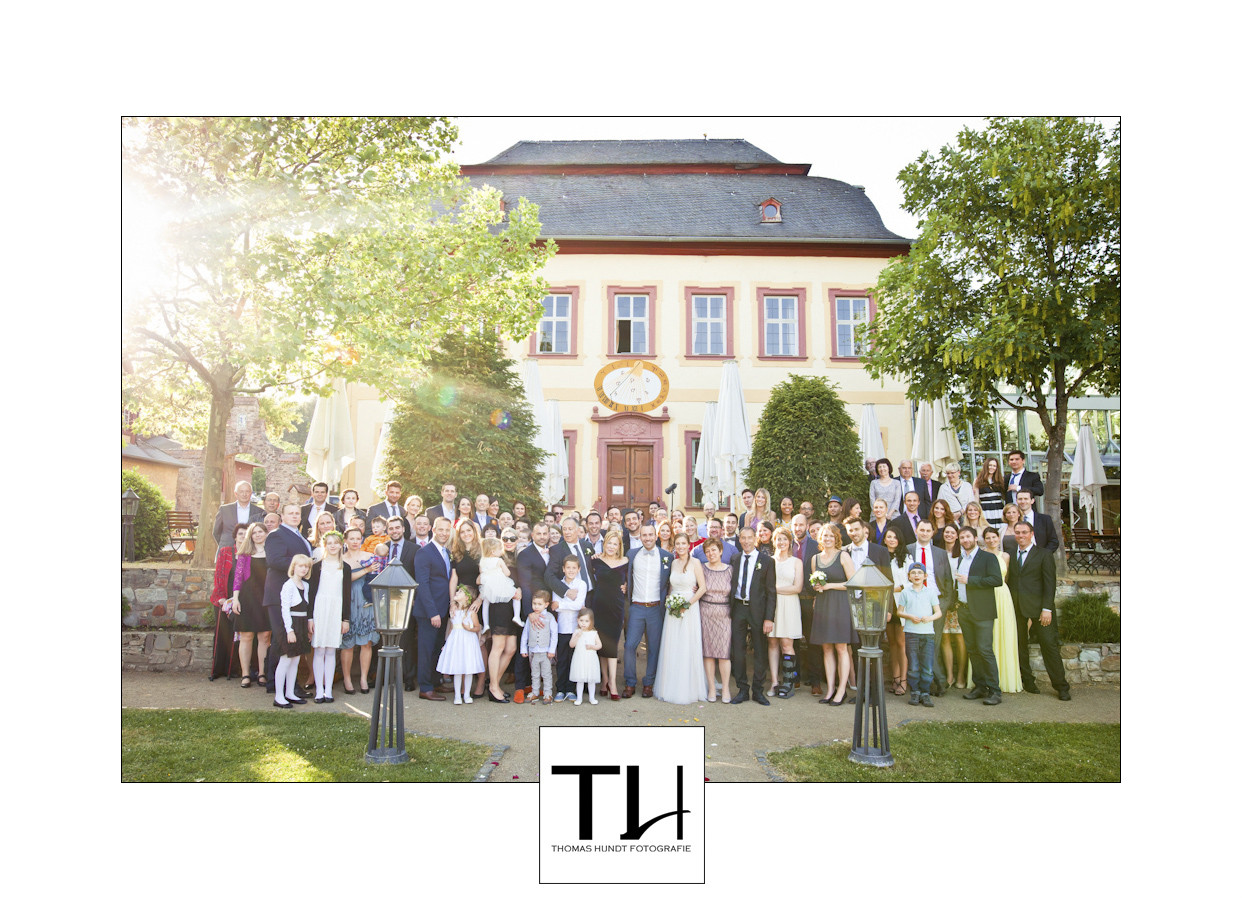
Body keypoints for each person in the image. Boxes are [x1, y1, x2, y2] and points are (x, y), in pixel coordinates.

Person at [1008, 521, 1071, 700]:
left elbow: (1049, 584)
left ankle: (1061, 686)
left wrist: (1046, 609)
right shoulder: (1011, 555)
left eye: (1024, 532)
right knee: (1020, 645)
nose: (1021, 536)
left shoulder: (1043, 554)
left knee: (1049, 645)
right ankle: (1028, 681)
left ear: (1031, 534)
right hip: (1017, 608)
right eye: (1018, 532)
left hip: (1040, 609)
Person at [263, 504, 313, 696]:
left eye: (297, 513)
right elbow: (274, 560)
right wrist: (304, 564)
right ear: (282, 516)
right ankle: (282, 687)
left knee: (280, 640)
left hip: (295, 596)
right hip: (279, 594)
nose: (294, 516)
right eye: (290, 513)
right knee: (284, 639)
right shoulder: (277, 535)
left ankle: (277, 684)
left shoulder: (299, 535)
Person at [653, 533, 708, 704]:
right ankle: (669, 685)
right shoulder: (674, 563)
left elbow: (702, 588)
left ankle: (688, 688)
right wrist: (670, 599)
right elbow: (671, 585)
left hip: (689, 608)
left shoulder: (696, 563)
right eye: (678, 543)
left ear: (688, 545)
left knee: (686, 645)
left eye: (684, 543)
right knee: (673, 645)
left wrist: (687, 604)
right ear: (674, 545)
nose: (681, 546)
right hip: (673, 609)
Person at [954, 526, 1003, 705]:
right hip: (964, 610)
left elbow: (997, 580)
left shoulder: (987, 557)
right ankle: (980, 687)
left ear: (975, 538)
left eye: (968, 536)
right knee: (973, 650)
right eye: (962, 537)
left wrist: (970, 581)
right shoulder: (961, 558)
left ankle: (995, 691)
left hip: (982, 611)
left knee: (985, 650)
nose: (965, 540)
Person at [624, 524, 673, 699]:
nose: (647, 538)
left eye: (650, 535)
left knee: (653, 648)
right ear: (640, 537)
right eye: (644, 535)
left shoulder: (667, 557)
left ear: (656, 535)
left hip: (655, 608)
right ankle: (630, 683)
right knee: (629, 646)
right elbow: (621, 573)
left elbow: (674, 579)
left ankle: (648, 683)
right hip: (636, 607)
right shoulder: (631, 555)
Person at [809, 524, 856, 705]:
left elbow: (852, 582)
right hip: (823, 604)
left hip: (840, 604)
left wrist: (829, 586)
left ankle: (842, 690)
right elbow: (816, 581)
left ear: (836, 537)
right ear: (820, 539)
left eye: (830, 536)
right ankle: (830, 690)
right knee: (826, 648)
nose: (827, 538)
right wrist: (818, 587)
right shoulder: (815, 559)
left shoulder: (843, 556)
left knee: (841, 648)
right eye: (824, 536)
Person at [729, 527, 776, 706]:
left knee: (759, 650)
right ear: (739, 540)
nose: (746, 541)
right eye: (743, 538)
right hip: (738, 608)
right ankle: (742, 689)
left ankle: (758, 690)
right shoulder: (735, 559)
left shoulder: (766, 561)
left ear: (755, 539)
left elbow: (771, 592)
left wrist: (769, 618)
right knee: (738, 650)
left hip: (758, 610)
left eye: (750, 538)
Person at [908, 519, 954, 697]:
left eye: (928, 530)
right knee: (916, 644)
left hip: (937, 602)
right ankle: (926, 682)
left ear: (932, 533)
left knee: (932, 643)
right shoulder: (909, 550)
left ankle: (938, 682)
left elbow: (948, 579)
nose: (925, 533)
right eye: (922, 530)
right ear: (916, 531)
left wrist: (946, 602)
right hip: (915, 601)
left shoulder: (940, 553)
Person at [412, 517, 454, 702]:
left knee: (437, 648)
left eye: (447, 530)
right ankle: (426, 688)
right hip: (429, 612)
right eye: (441, 529)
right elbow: (423, 584)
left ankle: (435, 682)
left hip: (443, 608)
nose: (444, 533)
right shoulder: (424, 553)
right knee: (426, 650)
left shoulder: (447, 552)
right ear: (433, 530)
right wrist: (433, 613)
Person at [308, 532, 351, 703]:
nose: (333, 546)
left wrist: (345, 619)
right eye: (329, 543)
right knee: (319, 650)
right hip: (320, 608)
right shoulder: (317, 566)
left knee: (331, 650)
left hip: (336, 609)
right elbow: (311, 594)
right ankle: (319, 690)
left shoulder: (345, 567)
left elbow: (346, 595)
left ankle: (328, 690)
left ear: (341, 545)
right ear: (324, 545)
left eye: (336, 543)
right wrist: (310, 618)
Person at [227, 523, 271, 686]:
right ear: (250, 536)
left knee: (265, 636)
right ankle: (245, 674)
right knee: (246, 636)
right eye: (254, 533)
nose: (258, 535)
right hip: (247, 598)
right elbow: (238, 578)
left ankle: (262, 673)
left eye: (261, 532)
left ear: (266, 533)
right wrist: (235, 599)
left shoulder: (272, 552)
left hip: (266, 598)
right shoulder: (245, 554)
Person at [513, 521, 552, 702]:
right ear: (532, 535)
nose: (542, 536)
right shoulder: (525, 555)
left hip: (548, 606)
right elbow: (525, 584)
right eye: (539, 533)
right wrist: (530, 611)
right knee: (526, 648)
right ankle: (520, 687)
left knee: (544, 647)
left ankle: (538, 686)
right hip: (531, 607)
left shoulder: (553, 552)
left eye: (545, 533)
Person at [479, 536, 521, 703]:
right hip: (498, 606)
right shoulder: (491, 561)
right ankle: (494, 687)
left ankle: (494, 683)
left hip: (510, 604)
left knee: (511, 648)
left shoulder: (513, 556)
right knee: (498, 647)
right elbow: (481, 579)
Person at [340, 527, 380, 695]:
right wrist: (365, 570)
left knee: (366, 642)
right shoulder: (341, 559)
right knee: (347, 644)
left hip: (365, 603)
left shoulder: (369, 557)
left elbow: (378, 577)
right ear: (346, 541)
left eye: (358, 538)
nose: (355, 541)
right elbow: (342, 579)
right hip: (348, 602)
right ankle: (347, 679)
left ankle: (363, 678)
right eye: (352, 538)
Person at [981, 526, 1021, 693]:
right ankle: (986, 679)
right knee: (987, 637)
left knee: (1003, 633)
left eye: (994, 537)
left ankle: (1005, 678)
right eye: (988, 538)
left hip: (1002, 596)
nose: (991, 540)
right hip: (985, 595)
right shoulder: (981, 555)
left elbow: (1007, 577)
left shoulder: (1005, 556)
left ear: (999, 538)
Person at [895, 563, 940, 708]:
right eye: (913, 573)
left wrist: (930, 618)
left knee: (927, 665)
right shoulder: (906, 592)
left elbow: (938, 612)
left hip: (927, 633)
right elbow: (899, 612)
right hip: (911, 633)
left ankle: (925, 692)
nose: (916, 575)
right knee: (913, 665)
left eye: (919, 573)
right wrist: (909, 616)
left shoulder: (931, 592)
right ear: (909, 576)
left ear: (925, 576)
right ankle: (915, 691)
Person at [590, 530, 629, 700]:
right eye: (609, 543)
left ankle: (612, 682)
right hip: (599, 606)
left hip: (616, 606)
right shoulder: (595, 560)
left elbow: (630, 579)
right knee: (602, 643)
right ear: (604, 544)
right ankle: (605, 678)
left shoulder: (626, 561)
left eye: (615, 544)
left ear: (619, 546)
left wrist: (626, 585)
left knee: (612, 643)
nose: (612, 546)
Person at [767, 526, 804, 698]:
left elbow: (797, 587)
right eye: (778, 539)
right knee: (773, 643)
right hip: (773, 606)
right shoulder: (769, 561)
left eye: (784, 539)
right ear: (773, 542)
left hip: (789, 605)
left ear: (790, 542)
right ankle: (775, 681)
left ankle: (789, 682)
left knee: (786, 644)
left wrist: (774, 589)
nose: (781, 542)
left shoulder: (796, 562)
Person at [274, 554, 314, 708]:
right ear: (294, 567)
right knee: (285, 660)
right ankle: (279, 696)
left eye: (306, 567)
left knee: (295, 660)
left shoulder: (306, 585)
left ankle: (290, 692)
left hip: (301, 624)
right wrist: (289, 630)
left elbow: (306, 608)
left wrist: (307, 628)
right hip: (290, 624)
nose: (303, 569)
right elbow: (285, 609)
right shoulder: (288, 585)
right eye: (300, 566)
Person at [209, 522, 247, 681]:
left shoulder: (250, 555)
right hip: (223, 599)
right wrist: (221, 598)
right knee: (222, 636)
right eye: (240, 534)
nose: (243, 537)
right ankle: (217, 671)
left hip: (240, 602)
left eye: (246, 535)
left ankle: (233, 670)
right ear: (235, 536)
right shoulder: (225, 552)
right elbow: (219, 576)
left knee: (237, 637)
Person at [698, 537, 733, 703]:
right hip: (705, 612)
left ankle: (725, 689)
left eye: (713, 550)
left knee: (724, 653)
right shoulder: (702, 568)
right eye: (707, 551)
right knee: (708, 653)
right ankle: (712, 688)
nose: (710, 553)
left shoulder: (730, 570)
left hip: (725, 613)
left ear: (720, 551)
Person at [436, 585, 485, 704]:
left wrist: (470, 628)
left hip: (468, 641)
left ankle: (467, 694)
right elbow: (451, 629)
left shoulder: (471, 613)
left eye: (460, 592)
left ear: (467, 598)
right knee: (457, 668)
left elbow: (477, 627)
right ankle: (457, 695)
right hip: (456, 641)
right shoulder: (454, 612)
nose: (457, 592)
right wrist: (447, 643)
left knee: (468, 669)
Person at [550, 555, 588, 701]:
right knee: (562, 660)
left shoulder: (581, 584)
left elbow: (579, 605)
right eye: (568, 568)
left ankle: (571, 689)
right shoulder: (558, 584)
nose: (571, 570)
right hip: (562, 628)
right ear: (563, 569)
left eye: (574, 568)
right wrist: (563, 606)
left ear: (578, 569)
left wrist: (562, 605)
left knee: (574, 659)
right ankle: (560, 689)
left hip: (576, 629)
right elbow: (555, 606)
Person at [882, 526, 910, 696]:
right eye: (888, 537)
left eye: (894, 537)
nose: (891, 539)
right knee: (891, 643)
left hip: (900, 603)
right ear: (884, 539)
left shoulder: (906, 557)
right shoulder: (881, 556)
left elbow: (911, 579)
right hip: (886, 603)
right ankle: (895, 678)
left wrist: (896, 588)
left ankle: (904, 681)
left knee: (901, 643)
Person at [520, 591, 558, 704]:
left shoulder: (550, 617)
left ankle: (548, 694)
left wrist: (552, 650)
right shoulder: (530, 618)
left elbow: (554, 635)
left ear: (546, 604)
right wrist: (523, 649)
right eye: (534, 603)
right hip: (533, 651)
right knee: (534, 674)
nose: (536, 606)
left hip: (545, 651)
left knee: (546, 674)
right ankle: (535, 692)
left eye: (539, 604)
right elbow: (525, 634)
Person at [940, 522, 966, 688]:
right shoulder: (939, 553)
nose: (949, 535)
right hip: (943, 600)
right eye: (946, 532)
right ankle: (949, 675)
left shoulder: (963, 554)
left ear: (957, 536)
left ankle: (961, 675)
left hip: (958, 601)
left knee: (960, 638)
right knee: (945, 638)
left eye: (952, 533)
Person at [212, 480, 264, 551]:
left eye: (247, 491)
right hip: (227, 550)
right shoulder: (224, 510)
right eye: (241, 491)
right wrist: (224, 544)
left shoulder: (259, 512)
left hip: (250, 550)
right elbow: (216, 532)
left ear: (251, 493)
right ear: (236, 493)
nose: (244, 494)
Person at [568, 608, 603, 705]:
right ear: (577, 620)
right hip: (580, 658)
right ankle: (579, 698)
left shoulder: (593, 633)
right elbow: (571, 645)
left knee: (591, 679)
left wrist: (592, 646)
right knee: (580, 679)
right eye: (581, 620)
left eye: (586, 621)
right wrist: (577, 636)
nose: (583, 623)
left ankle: (592, 697)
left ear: (591, 622)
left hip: (590, 658)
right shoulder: (576, 632)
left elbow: (599, 645)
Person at [975, 458, 1007, 527]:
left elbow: (1004, 497)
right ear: (986, 466)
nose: (992, 467)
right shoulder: (978, 480)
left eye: (994, 466)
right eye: (990, 465)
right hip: (985, 509)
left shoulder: (1000, 480)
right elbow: (976, 499)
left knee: (1001, 530)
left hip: (999, 508)